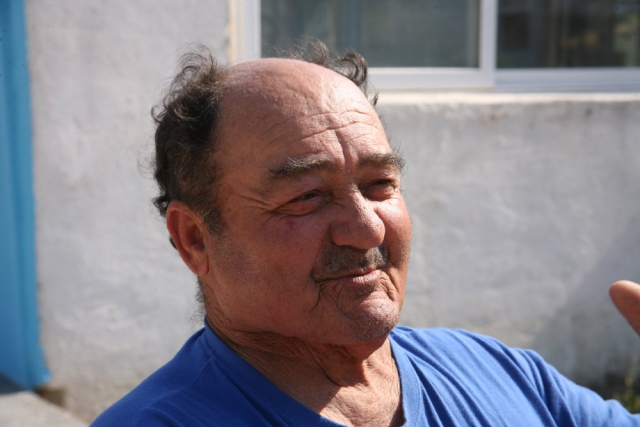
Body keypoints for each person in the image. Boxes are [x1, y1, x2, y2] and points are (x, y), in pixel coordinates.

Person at [91, 43, 640, 426]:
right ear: (194, 238)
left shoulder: (498, 373)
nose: (367, 227)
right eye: (307, 196)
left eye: (380, 184)